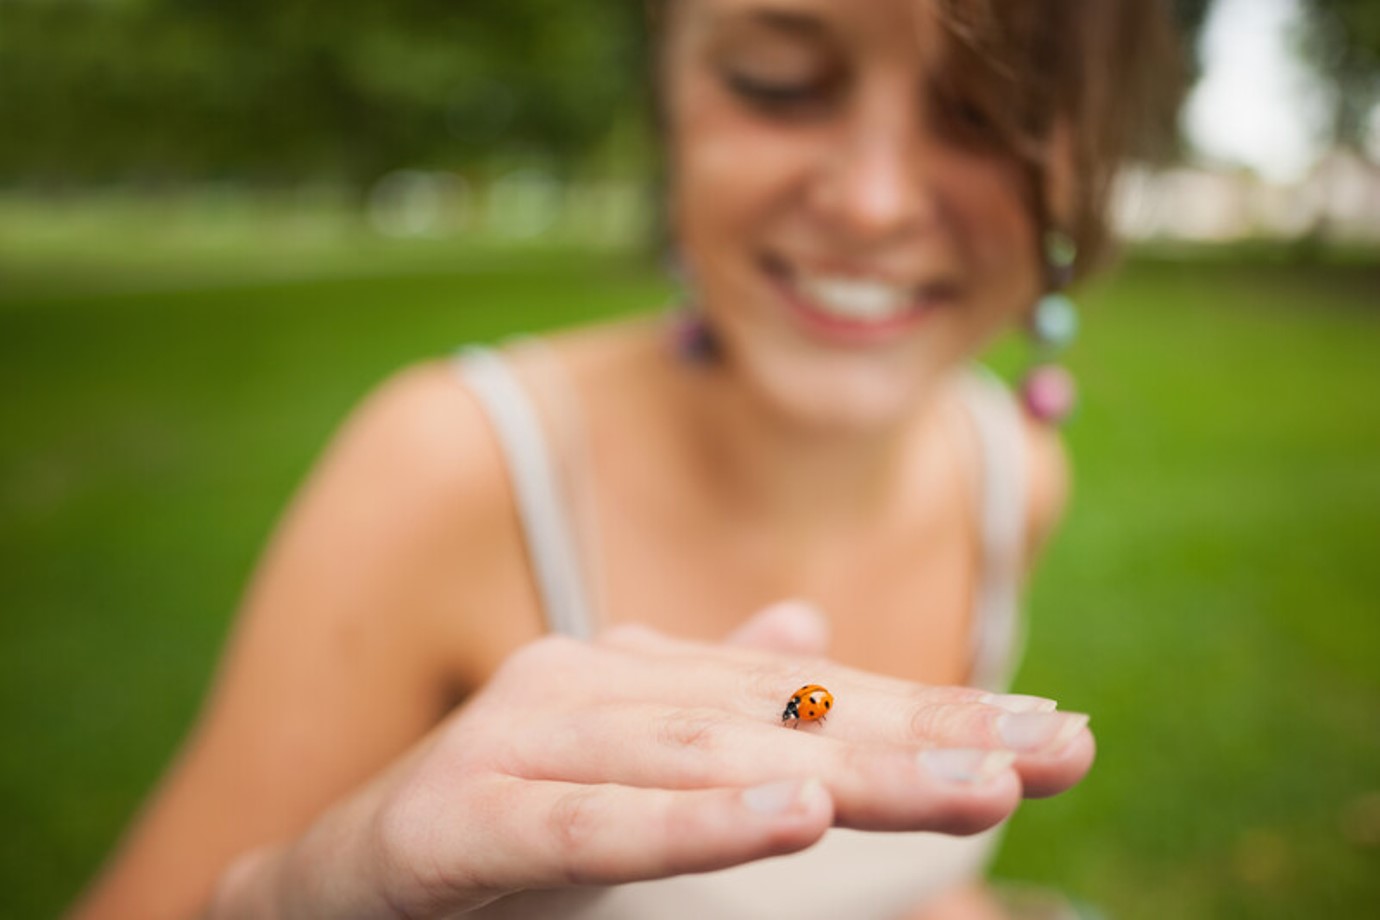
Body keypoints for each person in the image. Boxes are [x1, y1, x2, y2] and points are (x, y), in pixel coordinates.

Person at [69, 1, 1179, 917]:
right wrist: (286, 897)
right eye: (778, 82)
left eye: (986, 110)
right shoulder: (444, 464)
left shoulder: (1019, 475)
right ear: (664, 91)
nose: (873, 202)